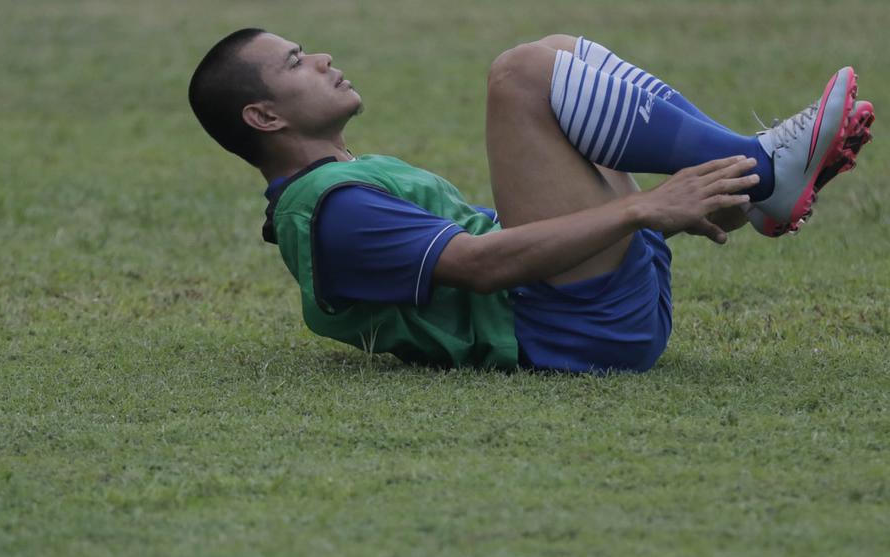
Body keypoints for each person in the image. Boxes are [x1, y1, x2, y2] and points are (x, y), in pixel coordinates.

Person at [187, 29, 874, 372]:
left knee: (555, 52)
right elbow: (482, 268)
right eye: (294, 63)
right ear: (263, 118)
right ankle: (758, 170)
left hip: (582, 308)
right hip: (570, 328)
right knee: (522, 76)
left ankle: (753, 178)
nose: (320, 60)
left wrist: (667, 214)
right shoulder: (334, 213)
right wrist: (642, 210)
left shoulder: (337, 185)